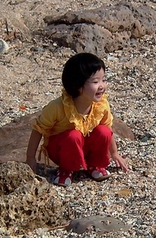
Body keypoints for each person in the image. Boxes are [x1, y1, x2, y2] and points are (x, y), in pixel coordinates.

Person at [26, 53, 129, 186]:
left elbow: (108, 129)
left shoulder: (101, 105)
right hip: (61, 150)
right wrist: (30, 158)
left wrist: (115, 153)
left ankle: (94, 165)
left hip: (85, 147)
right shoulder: (58, 106)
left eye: (104, 79)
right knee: (73, 135)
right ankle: (66, 169)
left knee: (103, 131)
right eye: (95, 82)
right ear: (77, 85)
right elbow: (38, 130)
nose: (102, 86)